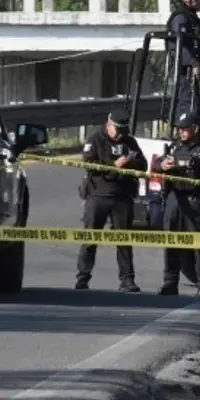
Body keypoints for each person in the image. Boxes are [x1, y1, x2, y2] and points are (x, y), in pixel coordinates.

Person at [153, 110, 200, 297]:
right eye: (179, 128)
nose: (181, 132)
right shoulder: (173, 146)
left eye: (184, 129)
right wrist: (162, 166)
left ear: (195, 128)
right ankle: (170, 283)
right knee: (171, 242)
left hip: (196, 200)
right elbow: (156, 165)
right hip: (174, 198)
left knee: (199, 245)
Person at [75, 111, 148, 293]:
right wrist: (115, 165)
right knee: (90, 238)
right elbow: (89, 163)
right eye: (118, 130)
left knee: (123, 240)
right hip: (98, 195)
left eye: (123, 130)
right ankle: (83, 277)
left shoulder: (129, 141)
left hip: (122, 196)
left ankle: (127, 279)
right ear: (109, 125)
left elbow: (143, 164)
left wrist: (128, 163)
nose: (120, 134)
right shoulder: (95, 139)